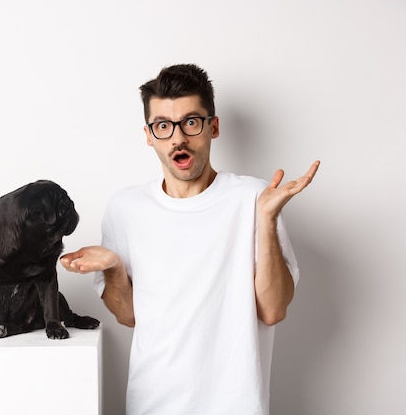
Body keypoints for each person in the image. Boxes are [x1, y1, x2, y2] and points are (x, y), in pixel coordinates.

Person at [60, 64, 320, 415]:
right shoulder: (125, 207)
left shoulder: (255, 198)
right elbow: (129, 316)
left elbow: (272, 311)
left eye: (191, 122)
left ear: (213, 127)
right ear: (149, 135)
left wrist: (267, 220)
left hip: (237, 404)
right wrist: (113, 267)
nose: (178, 138)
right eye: (164, 126)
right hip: (152, 403)